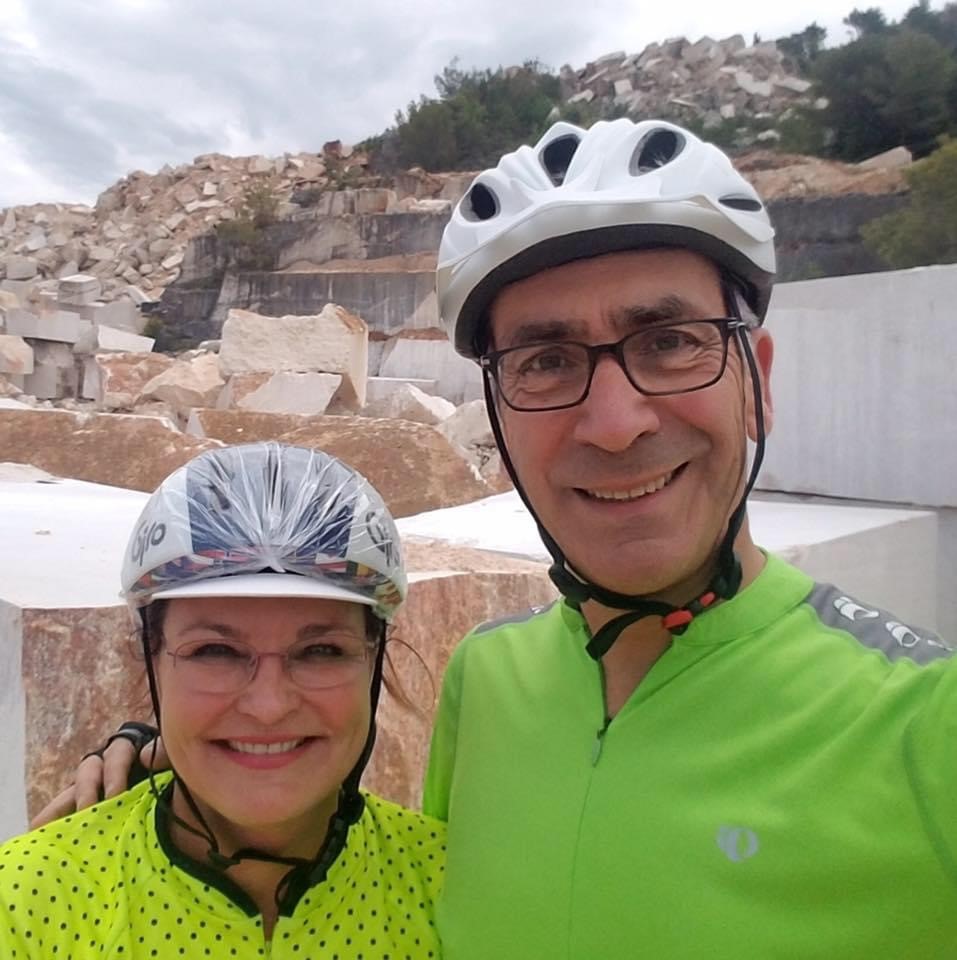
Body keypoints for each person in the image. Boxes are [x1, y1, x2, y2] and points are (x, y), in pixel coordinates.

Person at [36, 119, 957, 957]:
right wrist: (176, 754)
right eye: (546, 361)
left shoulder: (924, 722)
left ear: (755, 375)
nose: (613, 421)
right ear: (500, 415)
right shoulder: (488, 679)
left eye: (670, 340)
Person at [1, 442, 444, 957]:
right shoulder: (29, 905)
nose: (269, 705)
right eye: (215, 651)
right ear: (150, 658)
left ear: (375, 660)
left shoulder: (456, 890)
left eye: (321, 651)